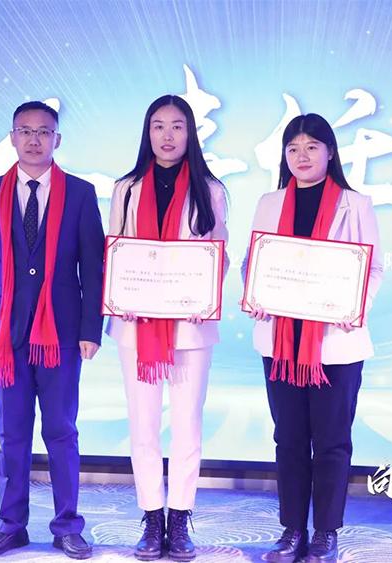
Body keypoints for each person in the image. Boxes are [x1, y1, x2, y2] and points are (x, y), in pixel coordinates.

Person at [241, 114, 383, 563]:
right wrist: (254, 294)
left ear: (330, 152)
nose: (301, 156)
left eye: (311, 147)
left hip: (335, 344)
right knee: (288, 439)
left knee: (332, 442)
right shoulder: (269, 202)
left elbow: (373, 268)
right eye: (293, 149)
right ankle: (291, 531)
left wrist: (353, 307)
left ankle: (325, 533)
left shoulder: (355, 204)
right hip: (280, 342)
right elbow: (253, 261)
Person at [0, 101, 104, 560]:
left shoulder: (81, 194)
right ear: (12, 138)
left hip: (61, 333)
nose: (34, 139)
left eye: (43, 132)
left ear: (56, 140)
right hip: (5, 334)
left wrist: (91, 329)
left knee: (62, 430)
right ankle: (11, 526)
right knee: (12, 433)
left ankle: (68, 526)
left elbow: (93, 269)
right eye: (25, 131)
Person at [106, 95, 229, 561]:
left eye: (177, 126)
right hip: (136, 325)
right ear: (147, 132)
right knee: (142, 426)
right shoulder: (126, 188)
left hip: (190, 329)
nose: (167, 135)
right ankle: (151, 518)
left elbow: (219, 253)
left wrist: (206, 295)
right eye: (158, 126)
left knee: (187, 426)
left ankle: (179, 519)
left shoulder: (210, 189)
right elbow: (114, 250)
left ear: (190, 133)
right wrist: (120, 295)